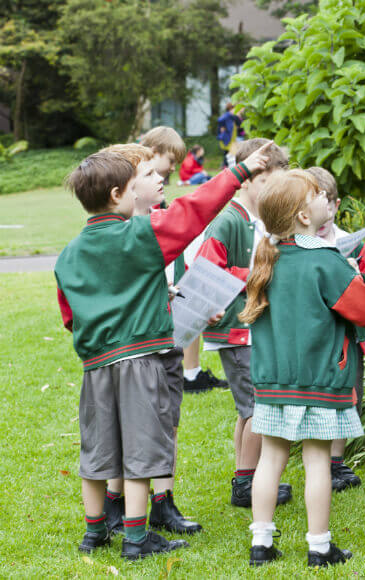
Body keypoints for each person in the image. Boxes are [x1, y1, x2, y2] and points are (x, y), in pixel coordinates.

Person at [54, 143, 272, 559]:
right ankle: (136, 539)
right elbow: (194, 210)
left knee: (98, 449)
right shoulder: (141, 233)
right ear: (119, 195)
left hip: (96, 366)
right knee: (142, 450)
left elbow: (71, 316)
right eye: (139, 184)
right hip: (142, 360)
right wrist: (240, 171)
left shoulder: (67, 255)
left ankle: (94, 532)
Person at [237, 169, 365, 567]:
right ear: (304, 216)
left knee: (271, 459)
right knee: (317, 460)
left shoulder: (266, 259)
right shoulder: (326, 261)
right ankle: (319, 546)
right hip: (320, 381)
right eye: (319, 196)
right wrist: (356, 276)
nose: (327, 200)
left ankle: (261, 544)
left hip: (273, 383)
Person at [97, 143, 203, 538]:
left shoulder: (159, 221)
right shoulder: (117, 231)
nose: (164, 178)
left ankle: (163, 501)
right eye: (155, 172)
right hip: (132, 349)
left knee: (166, 420)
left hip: (167, 337)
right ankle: (116, 502)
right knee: (128, 426)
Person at [196, 138, 292, 508]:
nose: (274, 191)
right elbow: (206, 271)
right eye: (267, 182)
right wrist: (254, 273)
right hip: (234, 329)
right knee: (257, 407)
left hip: (250, 327)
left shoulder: (259, 220)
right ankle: (247, 484)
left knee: (248, 408)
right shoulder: (228, 221)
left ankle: (244, 476)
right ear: (246, 179)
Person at [307, 166, 365, 492]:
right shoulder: (299, 246)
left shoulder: (349, 244)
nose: (324, 217)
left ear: (336, 206)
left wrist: (358, 276)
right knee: (315, 397)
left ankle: (336, 463)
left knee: (348, 395)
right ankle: (316, 458)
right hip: (314, 338)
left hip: (348, 338)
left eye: (329, 207)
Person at [140, 127, 228, 395]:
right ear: (154, 153)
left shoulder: (156, 196)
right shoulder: (140, 199)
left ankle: (189, 372)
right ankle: (186, 373)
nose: (171, 169)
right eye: (170, 161)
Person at [217, 103, 244, 168]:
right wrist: (223, 126)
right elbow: (220, 120)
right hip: (227, 138)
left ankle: (227, 166)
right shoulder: (227, 115)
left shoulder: (232, 116)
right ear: (231, 109)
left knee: (230, 154)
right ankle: (226, 166)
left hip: (232, 138)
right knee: (229, 153)